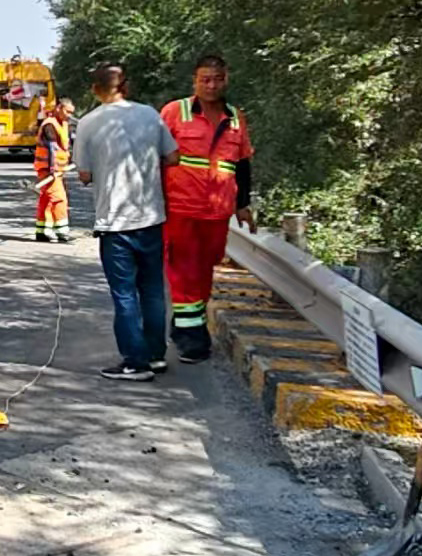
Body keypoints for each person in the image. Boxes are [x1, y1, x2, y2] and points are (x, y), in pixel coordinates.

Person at [74, 64, 178, 381]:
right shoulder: (150, 115)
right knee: (153, 290)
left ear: (95, 90)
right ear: (126, 87)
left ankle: (135, 362)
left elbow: (84, 174)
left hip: (115, 224)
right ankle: (156, 355)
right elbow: (173, 157)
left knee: (124, 294)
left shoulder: (89, 123)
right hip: (151, 218)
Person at [160, 53, 256, 363]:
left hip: (218, 211)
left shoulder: (236, 118)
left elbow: (242, 164)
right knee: (183, 270)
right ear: (195, 81)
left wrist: (243, 205)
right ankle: (193, 340)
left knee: (204, 269)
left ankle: (185, 324)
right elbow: (155, 157)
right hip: (180, 208)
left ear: (226, 80)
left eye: (217, 79)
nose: (211, 86)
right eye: (205, 80)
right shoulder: (174, 112)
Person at [32, 98, 71, 241]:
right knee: (58, 199)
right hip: (48, 169)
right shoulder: (50, 125)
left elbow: (64, 146)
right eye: (67, 111)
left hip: (57, 169)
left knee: (46, 198)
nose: (69, 115)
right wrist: (53, 169)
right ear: (59, 108)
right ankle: (62, 230)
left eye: (71, 113)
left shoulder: (63, 124)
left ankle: (42, 230)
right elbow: (52, 148)